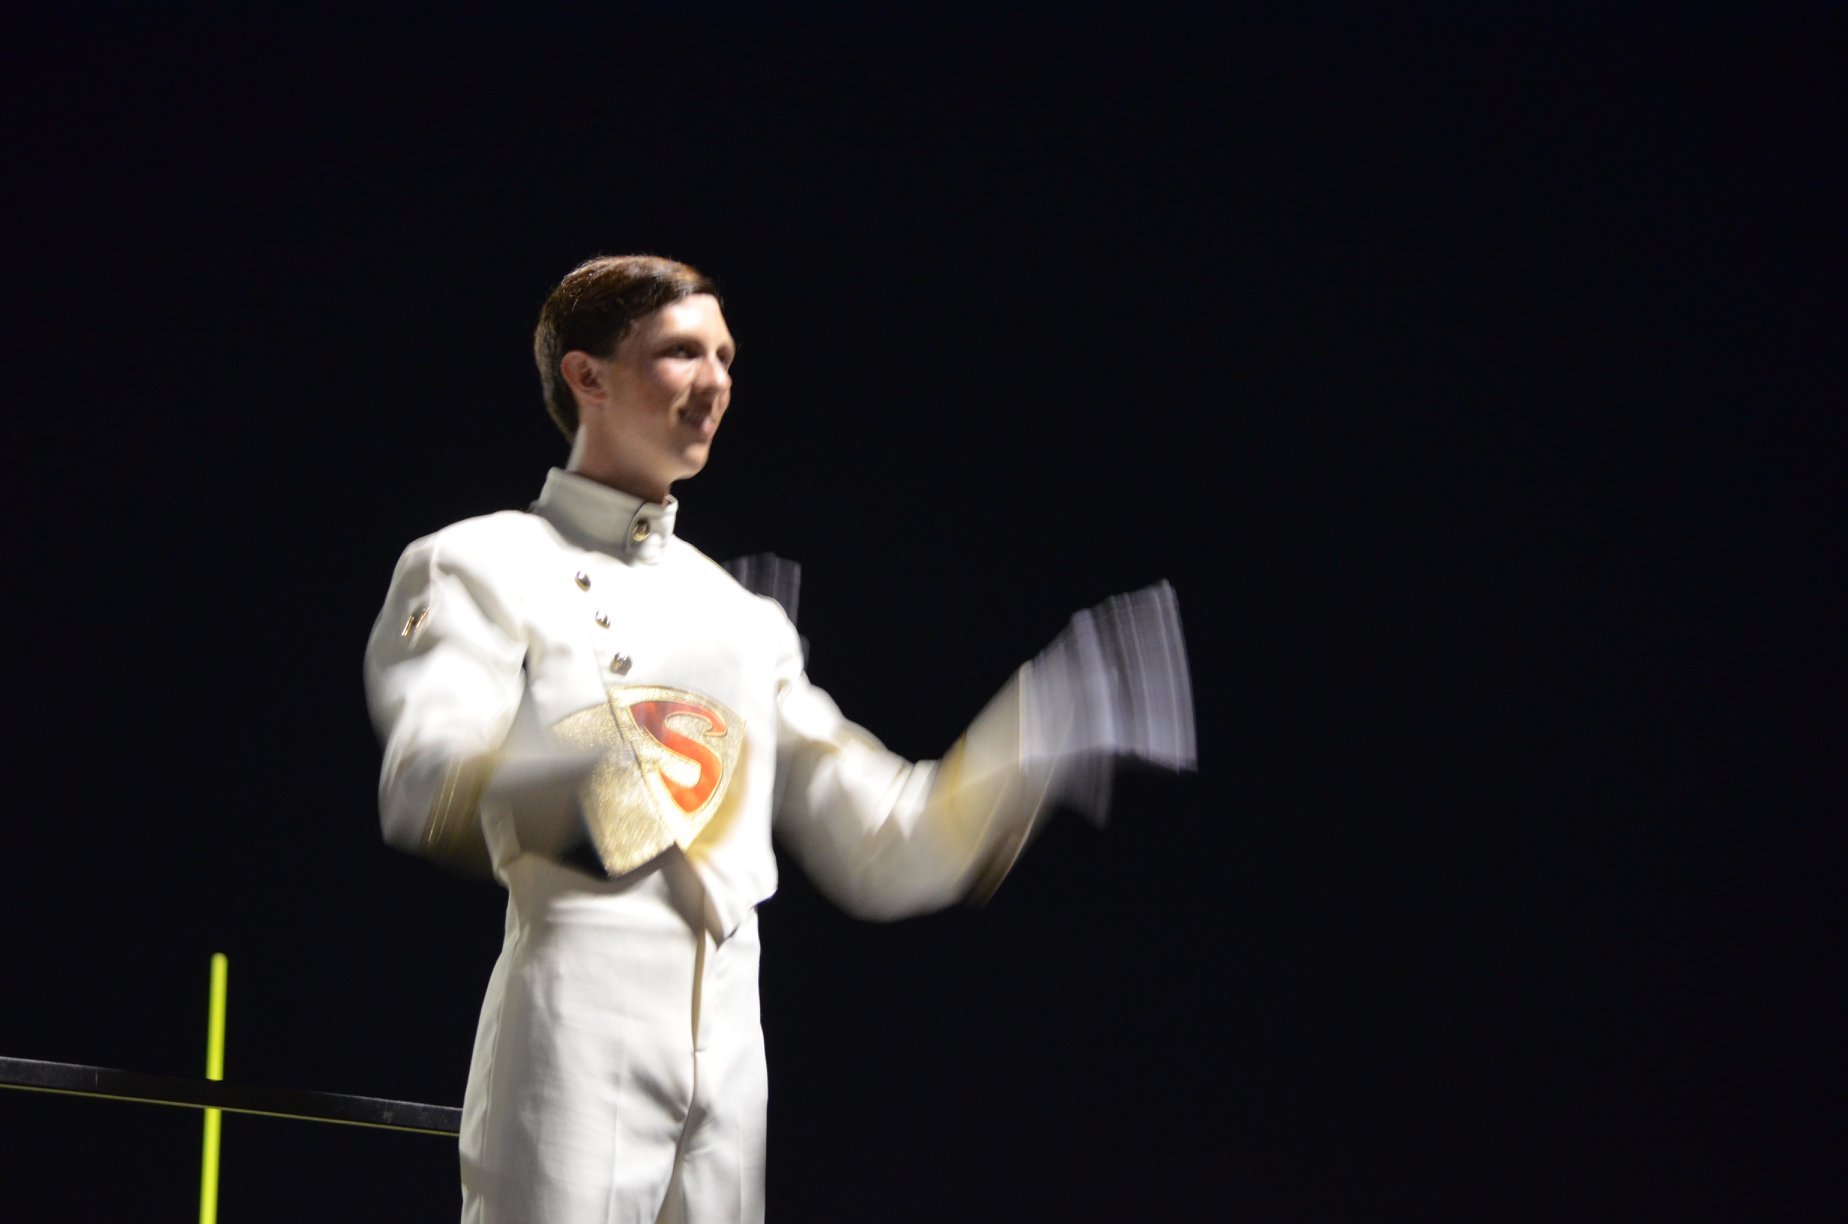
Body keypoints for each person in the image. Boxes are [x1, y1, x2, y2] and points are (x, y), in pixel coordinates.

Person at [364, 254, 1195, 1224]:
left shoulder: (740, 619)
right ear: (587, 376)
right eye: (682, 352)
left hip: (731, 1050)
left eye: (726, 357)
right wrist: (627, 762)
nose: (716, 381)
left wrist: (1048, 720)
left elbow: (882, 843)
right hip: (575, 1020)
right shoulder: (480, 559)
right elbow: (426, 784)